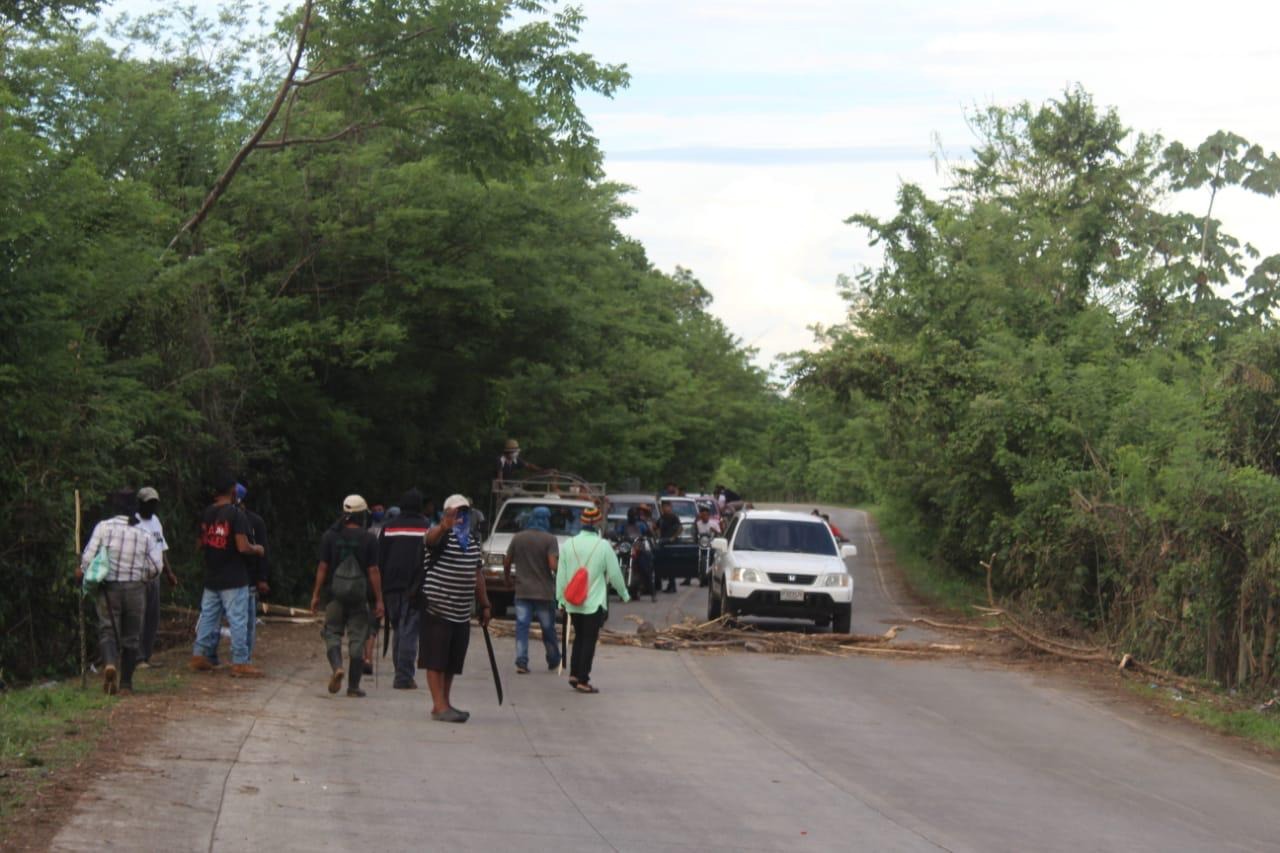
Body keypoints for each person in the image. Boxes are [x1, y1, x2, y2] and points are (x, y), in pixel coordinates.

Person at [78, 489, 162, 695]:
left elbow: (88, 557)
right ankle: (126, 684)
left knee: (107, 629)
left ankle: (109, 663)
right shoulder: (143, 533)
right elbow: (157, 566)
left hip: (109, 588)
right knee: (132, 637)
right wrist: (143, 577)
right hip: (135, 589)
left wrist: (82, 571)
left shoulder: (103, 527)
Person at [418, 494, 492, 723]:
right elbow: (428, 540)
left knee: (451, 661)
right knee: (435, 659)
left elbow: (477, 573)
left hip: (461, 610)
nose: (461, 517)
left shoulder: (471, 540)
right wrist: (443, 525)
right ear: (446, 513)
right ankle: (439, 706)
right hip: (437, 607)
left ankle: (445, 703)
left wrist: (485, 604)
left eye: (464, 513)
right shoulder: (439, 535)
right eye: (456, 512)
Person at [310, 495, 385, 697]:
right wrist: (379, 600)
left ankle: (337, 667)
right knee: (357, 638)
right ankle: (353, 687)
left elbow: (323, 567)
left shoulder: (330, 536)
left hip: (335, 596)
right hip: (359, 598)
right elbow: (374, 571)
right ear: (362, 515)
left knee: (332, 632)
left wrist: (316, 595)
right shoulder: (369, 538)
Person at [191, 476, 265, 678]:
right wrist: (257, 549)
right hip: (234, 576)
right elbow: (242, 546)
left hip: (212, 574)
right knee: (238, 619)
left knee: (208, 616)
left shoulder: (207, 513)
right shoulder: (235, 514)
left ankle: (199, 655)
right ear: (233, 492)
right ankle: (241, 662)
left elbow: (199, 544)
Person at [556, 506, 629, 693]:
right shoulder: (603, 545)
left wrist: (560, 600)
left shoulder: (568, 544)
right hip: (593, 603)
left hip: (572, 602)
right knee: (588, 640)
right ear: (597, 523)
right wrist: (624, 594)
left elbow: (561, 576)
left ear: (581, 522)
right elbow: (614, 573)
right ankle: (583, 679)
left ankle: (574, 673)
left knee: (579, 638)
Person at [377, 488, 431, 689]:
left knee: (398, 627)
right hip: (414, 586)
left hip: (390, 586)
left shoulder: (389, 527)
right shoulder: (426, 528)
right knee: (409, 629)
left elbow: (379, 558)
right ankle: (404, 676)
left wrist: (379, 589)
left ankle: (400, 669)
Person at [504, 506, 560, 674]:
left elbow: (507, 561)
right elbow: (552, 565)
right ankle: (554, 659)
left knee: (522, 627)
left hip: (522, 591)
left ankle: (522, 661)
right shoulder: (550, 539)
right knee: (548, 627)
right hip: (544, 592)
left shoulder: (518, 538)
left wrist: (508, 579)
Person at [134, 487, 178, 669]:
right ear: (140, 504)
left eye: (154, 504)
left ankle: (147, 655)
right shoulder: (133, 522)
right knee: (139, 617)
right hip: (139, 576)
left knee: (153, 617)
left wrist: (169, 572)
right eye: (148, 504)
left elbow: (162, 548)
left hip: (155, 576)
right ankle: (137, 658)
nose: (152, 507)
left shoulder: (156, 521)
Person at [235, 483, 271, 660]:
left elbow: (263, 551)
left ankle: (245, 657)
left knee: (248, 621)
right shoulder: (227, 519)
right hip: (230, 578)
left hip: (249, 578)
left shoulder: (255, 522)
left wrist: (262, 578)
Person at [657, 500, 683, 593]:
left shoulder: (673, 517)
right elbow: (657, 527)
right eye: (662, 507)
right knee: (666, 565)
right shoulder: (662, 517)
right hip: (664, 542)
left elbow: (680, 528)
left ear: (669, 507)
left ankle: (672, 586)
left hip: (672, 544)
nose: (664, 509)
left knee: (671, 565)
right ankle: (670, 585)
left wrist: (673, 537)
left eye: (665, 507)